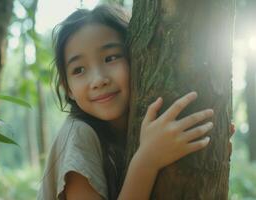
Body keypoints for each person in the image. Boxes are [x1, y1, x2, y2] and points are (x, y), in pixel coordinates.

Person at [38, 4, 227, 200]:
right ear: (68, 88)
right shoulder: (79, 134)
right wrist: (147, 160)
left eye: (110, 58)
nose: (98, 80)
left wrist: (210, 135)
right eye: (79, 70)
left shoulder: (132, 127)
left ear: (137, 60)